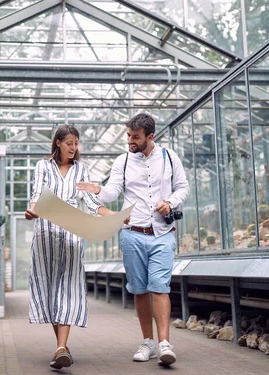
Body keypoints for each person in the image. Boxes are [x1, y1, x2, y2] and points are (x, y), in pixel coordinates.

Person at [77, 113, 189, 366]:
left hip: (162, 234)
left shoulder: (170, 158)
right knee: (139, 290)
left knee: (160, 288)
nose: (130, 140)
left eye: (135, 137)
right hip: (133, 235)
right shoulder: (123, 161)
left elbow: (183, 187)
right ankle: (147, 342)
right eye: (128, 135)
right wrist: (98, 190)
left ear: (150, 136)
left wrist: (169, 202)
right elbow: (113, 191)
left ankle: (164, 344)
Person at [25, 125, 115, 369]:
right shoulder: (42, 166)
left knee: (68, 290)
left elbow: (93, 202)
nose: (74, 148)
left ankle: (61, 347)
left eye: (76, 143)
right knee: (51, 290)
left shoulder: (82, 170)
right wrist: (33, 210)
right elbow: (36, 195)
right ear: (57, 143)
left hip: (72, 235)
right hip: (45, 235)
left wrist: (114, 215)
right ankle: (61, 348)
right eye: (69, 143)